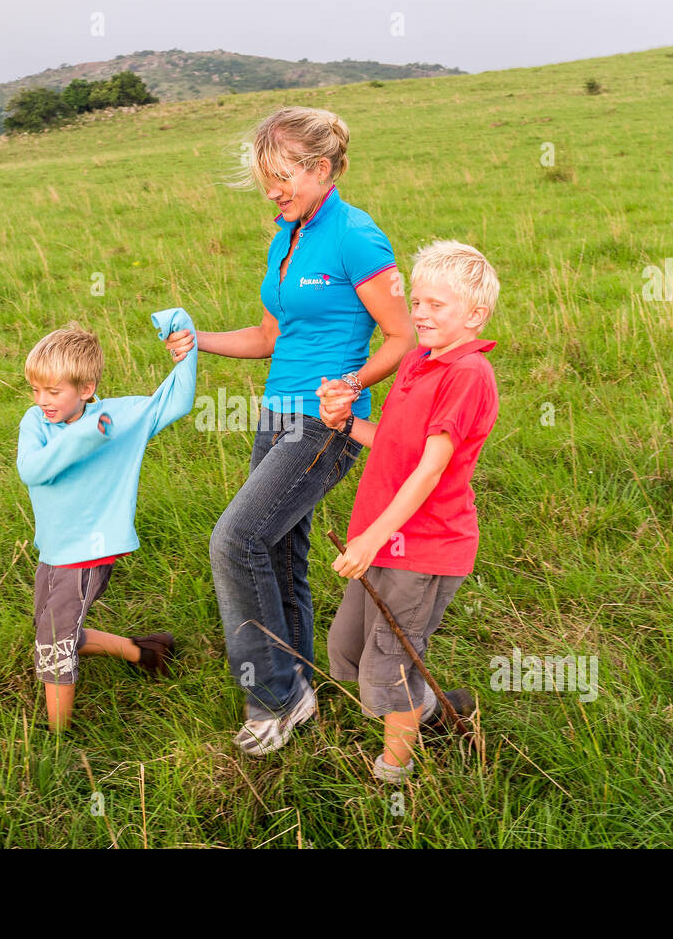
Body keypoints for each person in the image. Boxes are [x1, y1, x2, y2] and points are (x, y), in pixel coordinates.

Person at [164, 106, 416, 755]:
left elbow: (403, 335)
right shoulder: (287, 235)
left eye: (282, 175)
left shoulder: (356, 236)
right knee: (276, 552)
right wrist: (199, 343)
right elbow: (272, 336)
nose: (271, 189)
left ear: (322, 168)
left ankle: (271, 694)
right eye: (264, 177)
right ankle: (298, 685)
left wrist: (354, 384)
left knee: (234, 539)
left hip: (322, 423)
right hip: (275, 413)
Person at [318, 240, 500, 781]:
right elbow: (398, 445)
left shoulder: (467, 374)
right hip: (383, 536)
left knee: (388, 663)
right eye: (416, 302)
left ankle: (393, 774)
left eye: (436, 305)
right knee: (346, 649)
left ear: (474, 314)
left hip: (423, 548)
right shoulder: (420, 361)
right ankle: (435, 712)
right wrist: (346, 423)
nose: (419, 313)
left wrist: (371, 537)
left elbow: (430, 469)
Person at [16, 309, 197, 730]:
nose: (42, 400)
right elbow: (33, 470)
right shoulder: (37, 422)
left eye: (53, 391)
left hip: (89, 553)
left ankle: (56, 741)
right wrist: (86, 434)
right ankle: (146, 653)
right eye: (35, 389)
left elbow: (177, 400)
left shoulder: (121, 418)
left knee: (54, 644)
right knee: (52, 632)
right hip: (54, 550)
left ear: (87, 388)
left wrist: (184, 341)